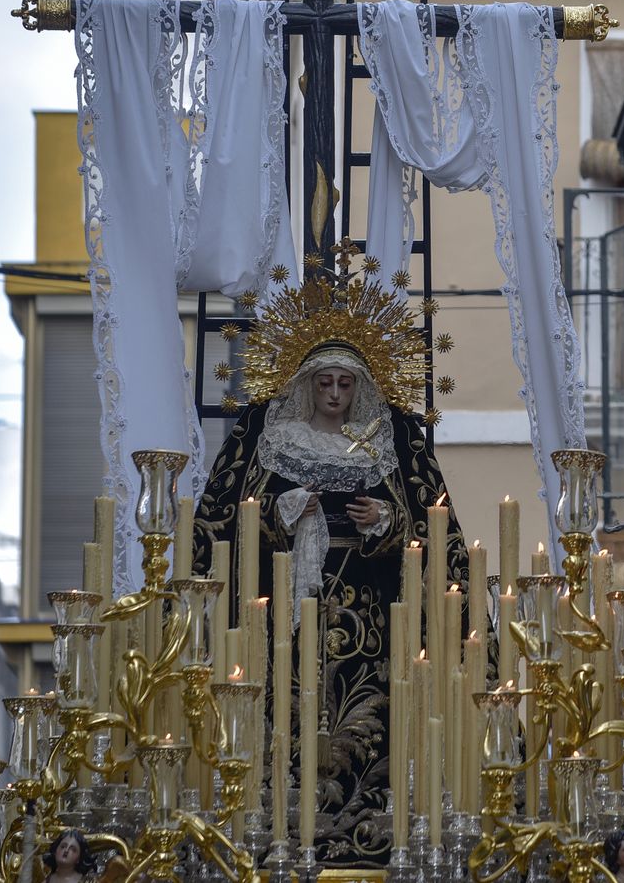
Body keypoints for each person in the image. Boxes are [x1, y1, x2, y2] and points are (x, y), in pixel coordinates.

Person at [194, 269, 465, 872]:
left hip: (371, 621)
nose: (336, 394)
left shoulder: (390, 441)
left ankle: (376, 821)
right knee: (275, 708)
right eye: (325, 382)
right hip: (279, 616)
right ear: (307, 385)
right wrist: (278, 513)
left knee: (375, 719)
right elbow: (218, 526)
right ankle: (266, 817)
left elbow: (436, 532)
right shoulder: (268, 436)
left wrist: (385, 522)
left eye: (346, 383)